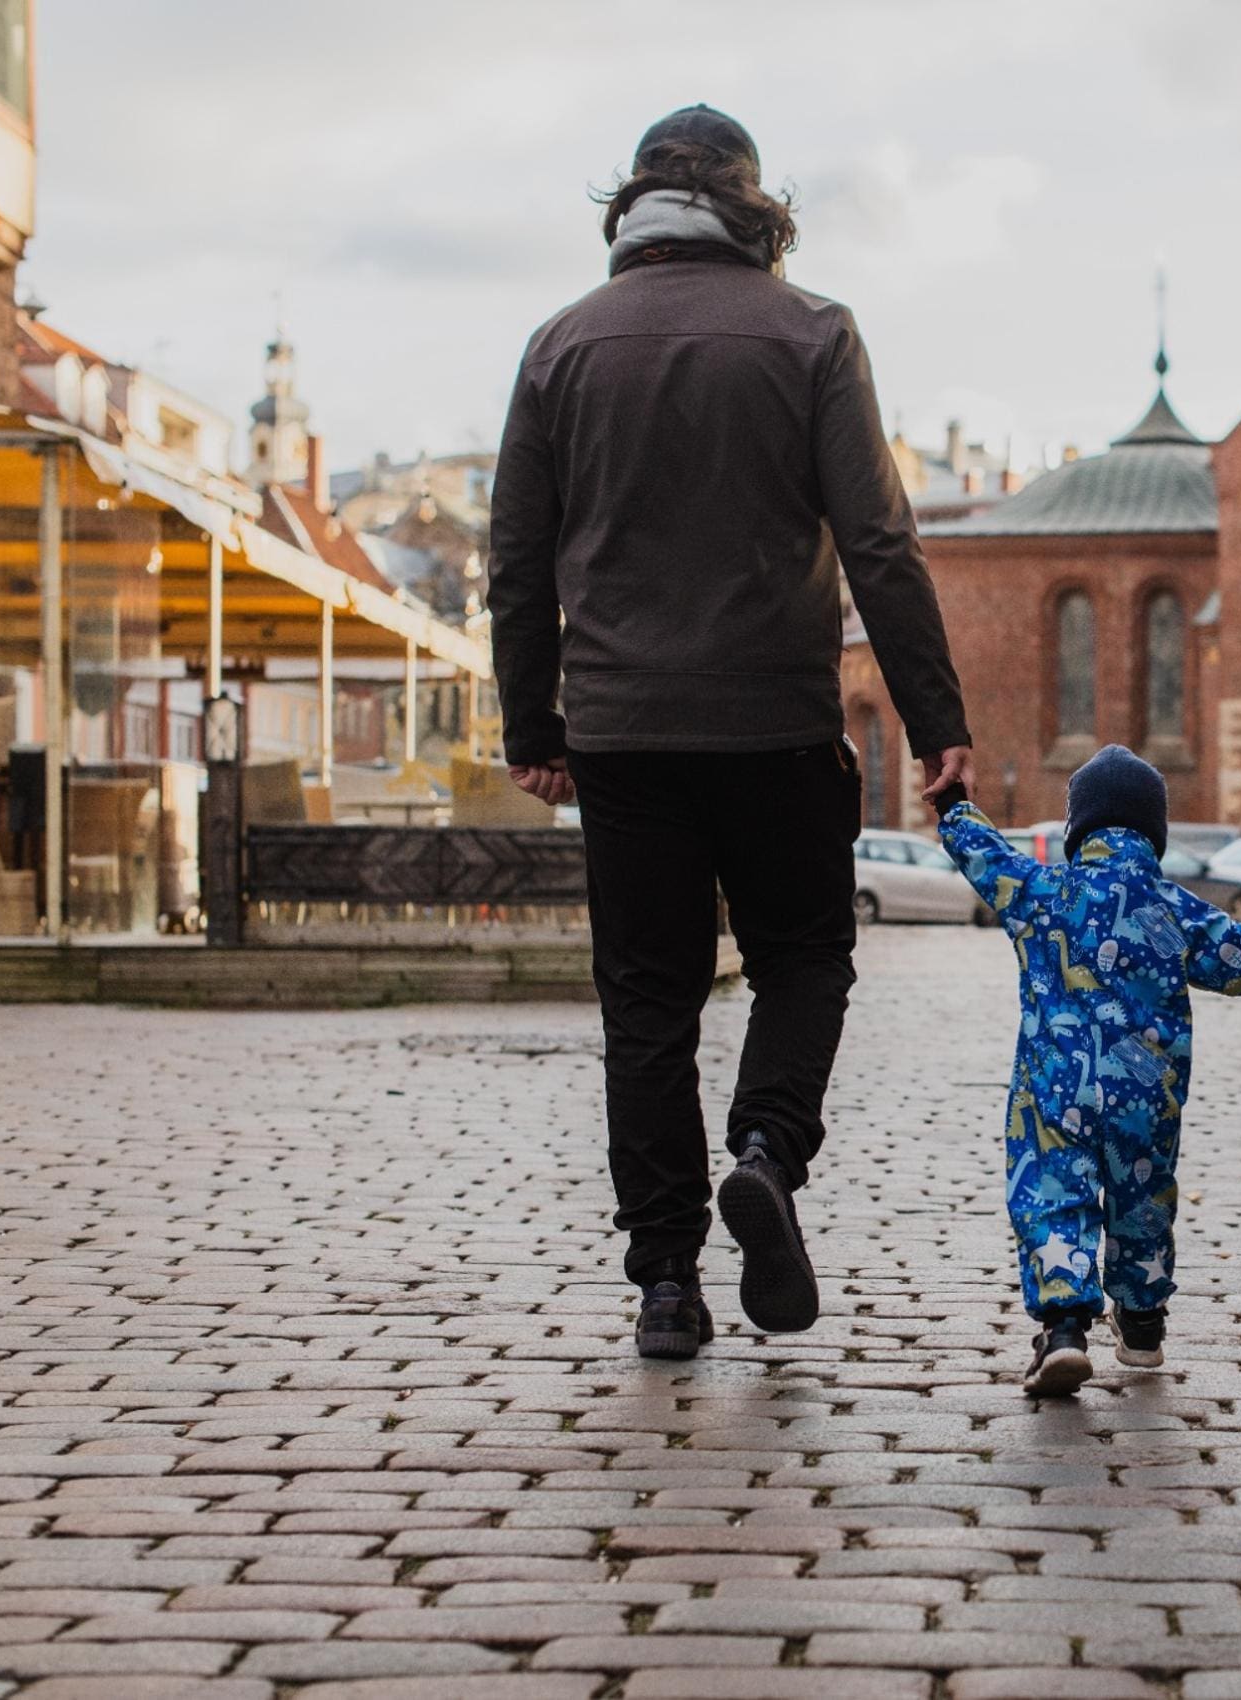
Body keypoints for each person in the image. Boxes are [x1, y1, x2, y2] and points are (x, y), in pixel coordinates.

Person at [488, 105, 973, 1361]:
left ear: (632, 204)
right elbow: (879, 541)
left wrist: (532, 723)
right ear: (754, 206)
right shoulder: (812, 331)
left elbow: (515, 559)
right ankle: (766, 1145)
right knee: (804, 961)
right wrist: (937, 719)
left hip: (623, 733)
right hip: (776, 721)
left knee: (646, 1006)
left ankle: (664, 1282)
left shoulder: (559, 345)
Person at [937, 746, 1241, 1397]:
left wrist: (954, 807)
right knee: (1144, 1201)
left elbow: (986, 858)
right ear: (1153, 833)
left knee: (1053, 1194)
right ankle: (1140, 1321)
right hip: (1147, 1099)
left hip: (1056, 1092)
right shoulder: (1172, 906)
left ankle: (1065, 1328)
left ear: (1079, 829)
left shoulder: (1044, 893)